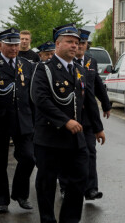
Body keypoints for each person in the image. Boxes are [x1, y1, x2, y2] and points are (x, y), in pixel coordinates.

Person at [31, 23, 103, 223]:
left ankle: (69, 220)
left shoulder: (80, 70)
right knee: (46, 182)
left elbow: (88, 100)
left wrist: (98, 128)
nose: (74, 46)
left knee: (79, 178)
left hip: (74, 138)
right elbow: (41, 99)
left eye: (77, 42)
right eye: (69, 42)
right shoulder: (43, 69)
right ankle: (48, 219)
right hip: (49, 137)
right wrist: (64, 121)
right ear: (58, 44)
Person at [0, 28, 36, 214]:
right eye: (9, 44)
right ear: (1, 44)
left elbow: (32, 94)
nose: (13, 48)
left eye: (16, 44)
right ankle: (1, 200)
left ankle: (20, 193)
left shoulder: (27, 65)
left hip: (23, 119)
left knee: (28, 157)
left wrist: (37, 120)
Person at [60, 29, 109, 200]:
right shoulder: (65, 63)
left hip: (87, 118)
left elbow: (95, 88)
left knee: (89, 152)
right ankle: (65, 185)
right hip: (69, 118)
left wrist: (105, 105)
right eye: (77, 43)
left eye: (82, 43)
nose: (79, 46)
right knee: (67, 154)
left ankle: (91, 188)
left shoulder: (90, 62)